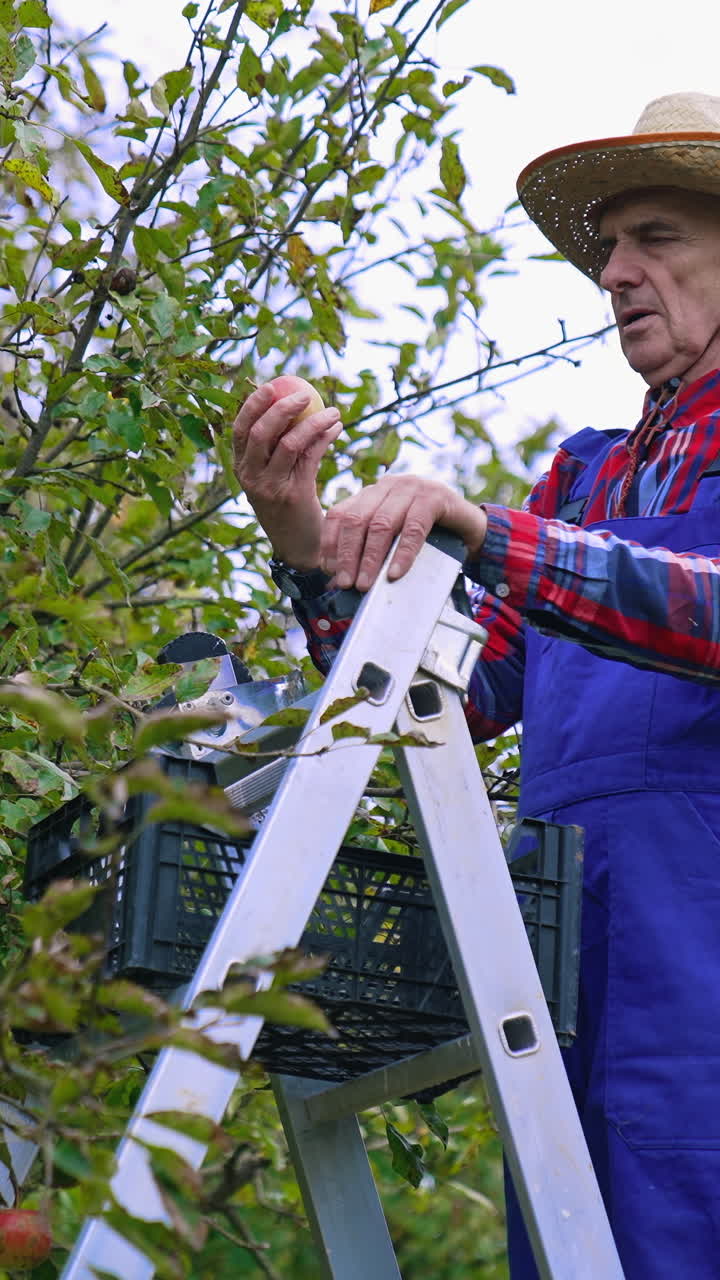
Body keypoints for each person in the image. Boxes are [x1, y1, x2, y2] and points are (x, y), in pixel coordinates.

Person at [232, 91, 720, 1278]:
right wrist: (305, 543)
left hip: (705, 961)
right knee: (580, 1233)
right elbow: (460, 687)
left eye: (653, 236)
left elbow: (703, 600)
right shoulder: (586, 474)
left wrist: (487, 531)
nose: (614, 272)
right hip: (570, 957)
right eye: (607, 246)